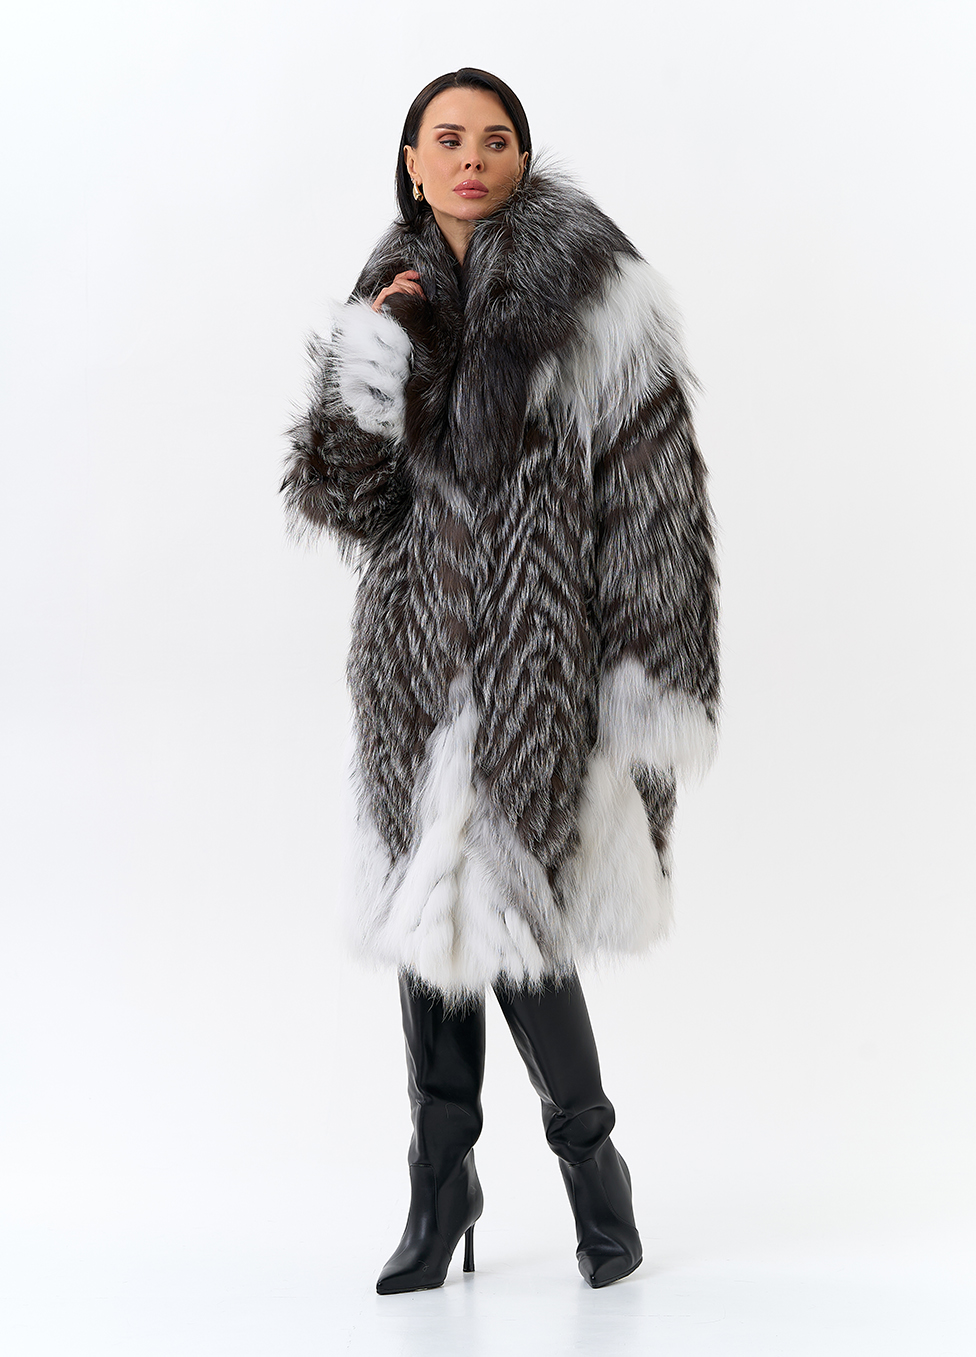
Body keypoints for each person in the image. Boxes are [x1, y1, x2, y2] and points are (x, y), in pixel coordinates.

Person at [281, 68, 720, 1294]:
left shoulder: (598, 293)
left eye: (494, 138)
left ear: (521, 157)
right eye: (447, 138)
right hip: (413, 669)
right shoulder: (391, 286)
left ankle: (590, 1162)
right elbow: (343, 499)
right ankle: (440, 1183)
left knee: (526, 918)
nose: (470, 157)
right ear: (412, 162)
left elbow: (655, 502)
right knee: (430, 920)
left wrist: (646, 684)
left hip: (546, 664)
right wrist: (379, 348)